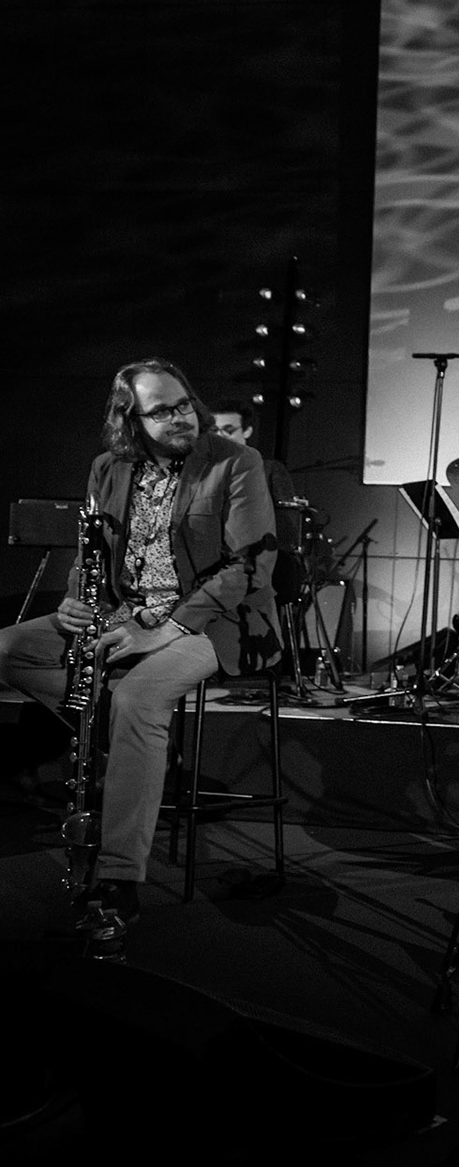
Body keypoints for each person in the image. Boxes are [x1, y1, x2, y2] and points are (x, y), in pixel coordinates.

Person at [0, 360, 279, 930]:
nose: (180, 418)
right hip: (118, 612)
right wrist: (76, 598)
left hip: (208, 620)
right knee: (9, 649)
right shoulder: (108, 466)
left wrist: (169, 625)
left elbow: (251, 567)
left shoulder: (235, 461)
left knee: (138, 702)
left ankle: (120, 875)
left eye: (183, 404)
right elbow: (93, 555)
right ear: (131, 419)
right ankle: (134, 745)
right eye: (161, 411)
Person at [209, 400, 298, 503]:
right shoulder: (201, 469)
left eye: (229, 430)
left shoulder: (269, 470)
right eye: (214, 431)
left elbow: (286, 515)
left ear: (247, 432)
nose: (220, 436)